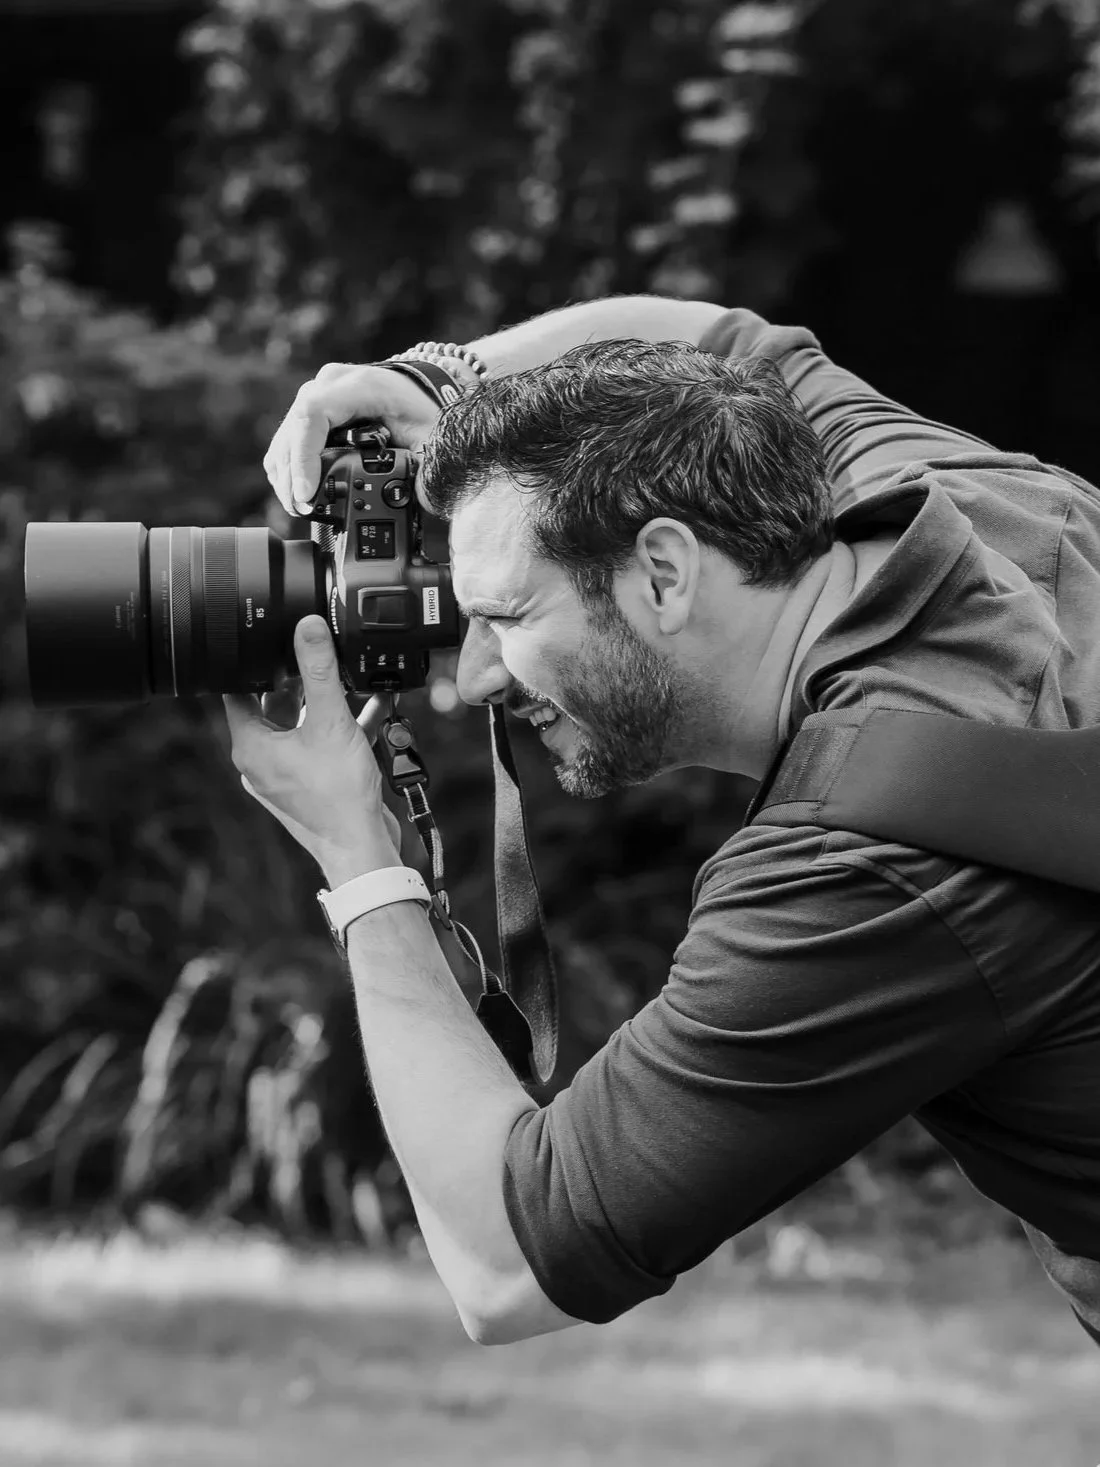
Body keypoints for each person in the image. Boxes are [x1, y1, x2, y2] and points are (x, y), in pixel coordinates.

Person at [224, 297, 1100, 1348]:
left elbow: (506, 1264)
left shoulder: (872, 864)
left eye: (505, 614)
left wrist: (357, 856)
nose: (475, 675)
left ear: (666, 571)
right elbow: (726, 340)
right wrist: (433, 380)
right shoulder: (960, 503)